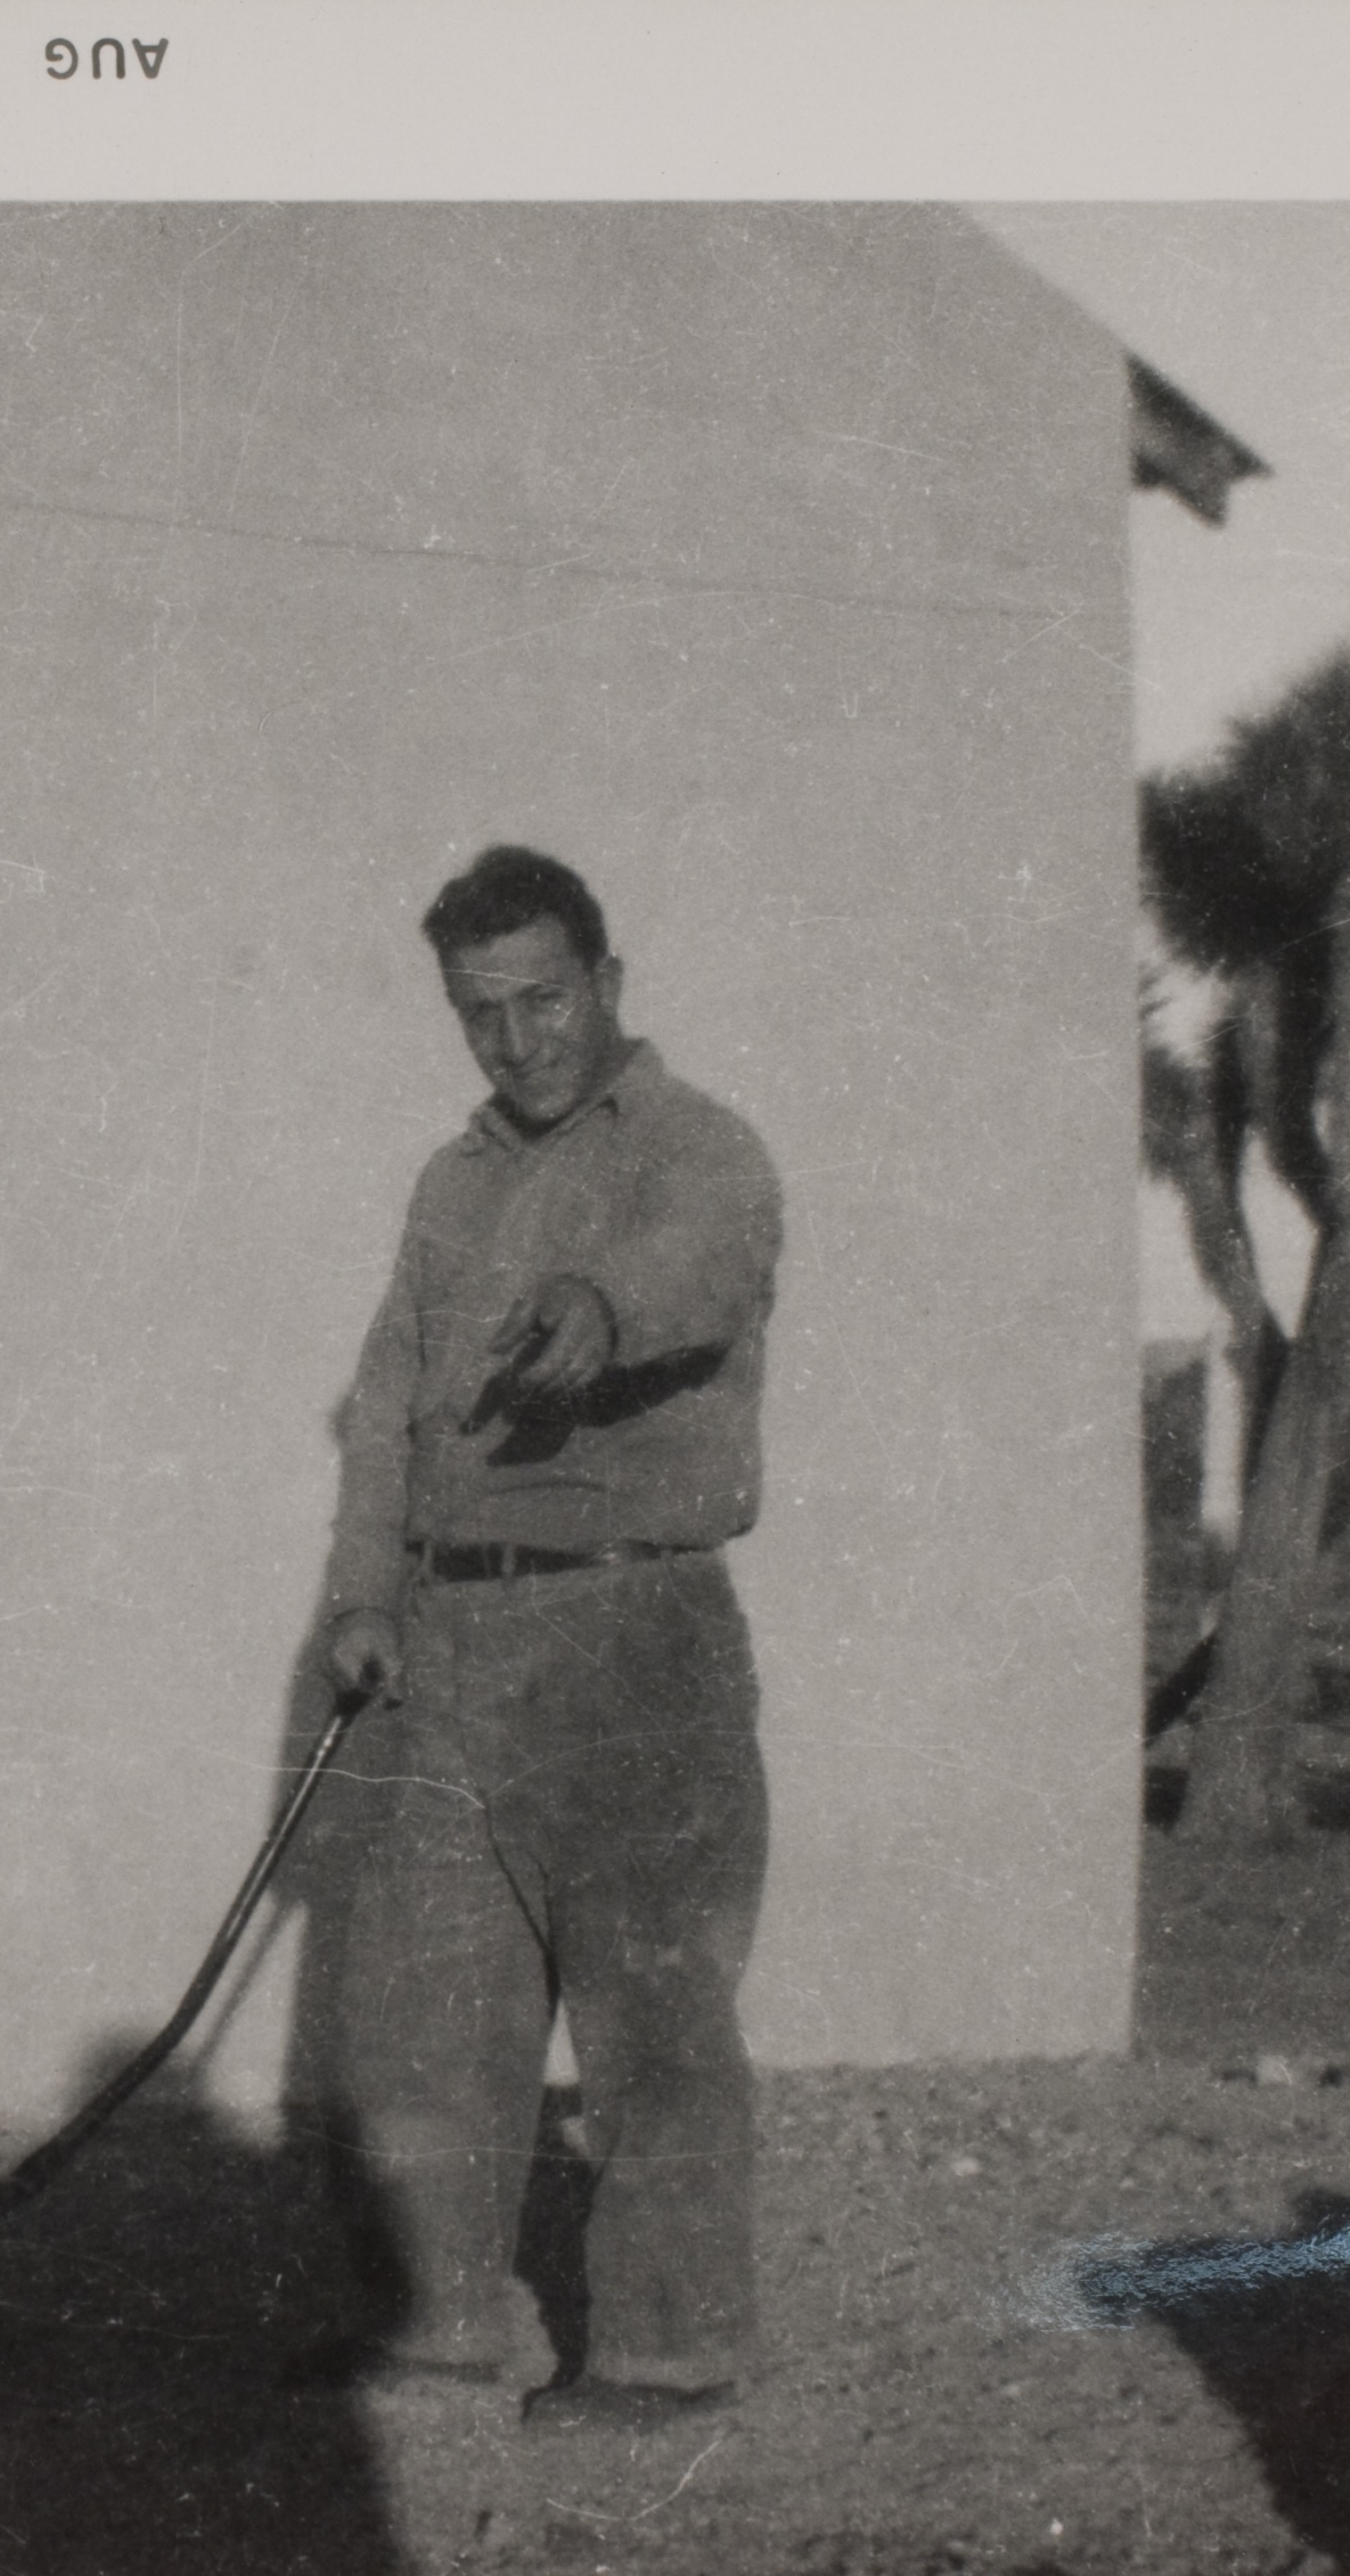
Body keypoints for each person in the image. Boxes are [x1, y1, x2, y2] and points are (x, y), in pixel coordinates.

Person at [313, 843, 782, 2437]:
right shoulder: (447, 1188)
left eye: (542, 1000)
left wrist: (598, 1310)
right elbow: (382, 1407)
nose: (518, 1042)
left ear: (607, 983)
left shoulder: (698, 1151)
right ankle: (447, 2332)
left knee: (652, 2024)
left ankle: (662, 2358)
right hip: (454, 1645)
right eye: (480, 1014)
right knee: (433, 2013)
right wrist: (364, 1599)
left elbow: (703, 1268)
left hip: (632, 1637)